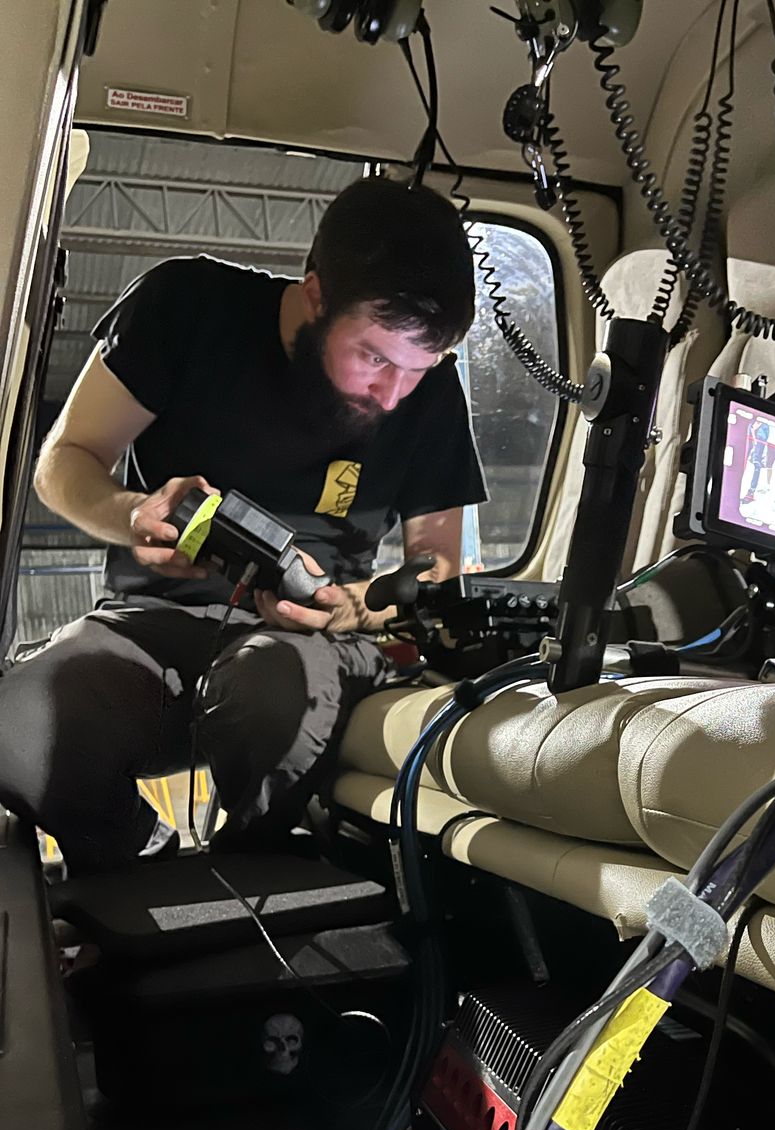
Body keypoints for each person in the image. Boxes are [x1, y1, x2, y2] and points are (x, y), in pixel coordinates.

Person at [0, 177, 486, 874]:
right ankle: (145, 872)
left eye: (419, 368)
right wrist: (130, 514)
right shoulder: (186, 307)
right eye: (375, 357)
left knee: (266, 687)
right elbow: (63, 463)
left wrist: (350, 607)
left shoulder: (426, 395)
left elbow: (436, 569)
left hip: (313, 642)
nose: (393, 393)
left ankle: (255, 881)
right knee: (19, 717)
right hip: (153, 622)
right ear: (315, 292)